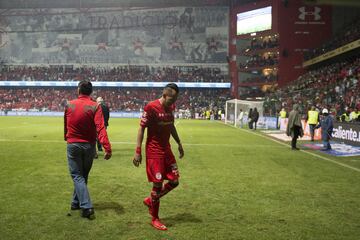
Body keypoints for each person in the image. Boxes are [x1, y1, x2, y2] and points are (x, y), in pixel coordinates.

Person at [133, 83, 184, 231]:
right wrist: (138, 151)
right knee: (157, 184)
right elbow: (142, 128)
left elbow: (171, 125)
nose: (173, 103)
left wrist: (179, 143)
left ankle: (151, 200)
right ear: (164, 95)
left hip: (166, 150)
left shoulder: (171, 107)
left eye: (175, 100)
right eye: (171, 99)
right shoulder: (151, 107)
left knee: (174, 181)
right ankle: (155, 218)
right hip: (154, 152)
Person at [64, 80, 112, 219]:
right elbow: (101, 128)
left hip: (73, 144)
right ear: (91, 92)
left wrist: (66, 137)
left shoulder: (69, 104)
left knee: (78, 175)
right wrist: (107, 147)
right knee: (82, 175)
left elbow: (66, 125)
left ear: (78, 90)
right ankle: (75, 203)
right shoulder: (94, 106)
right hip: (89, 146)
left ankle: (86, 206)